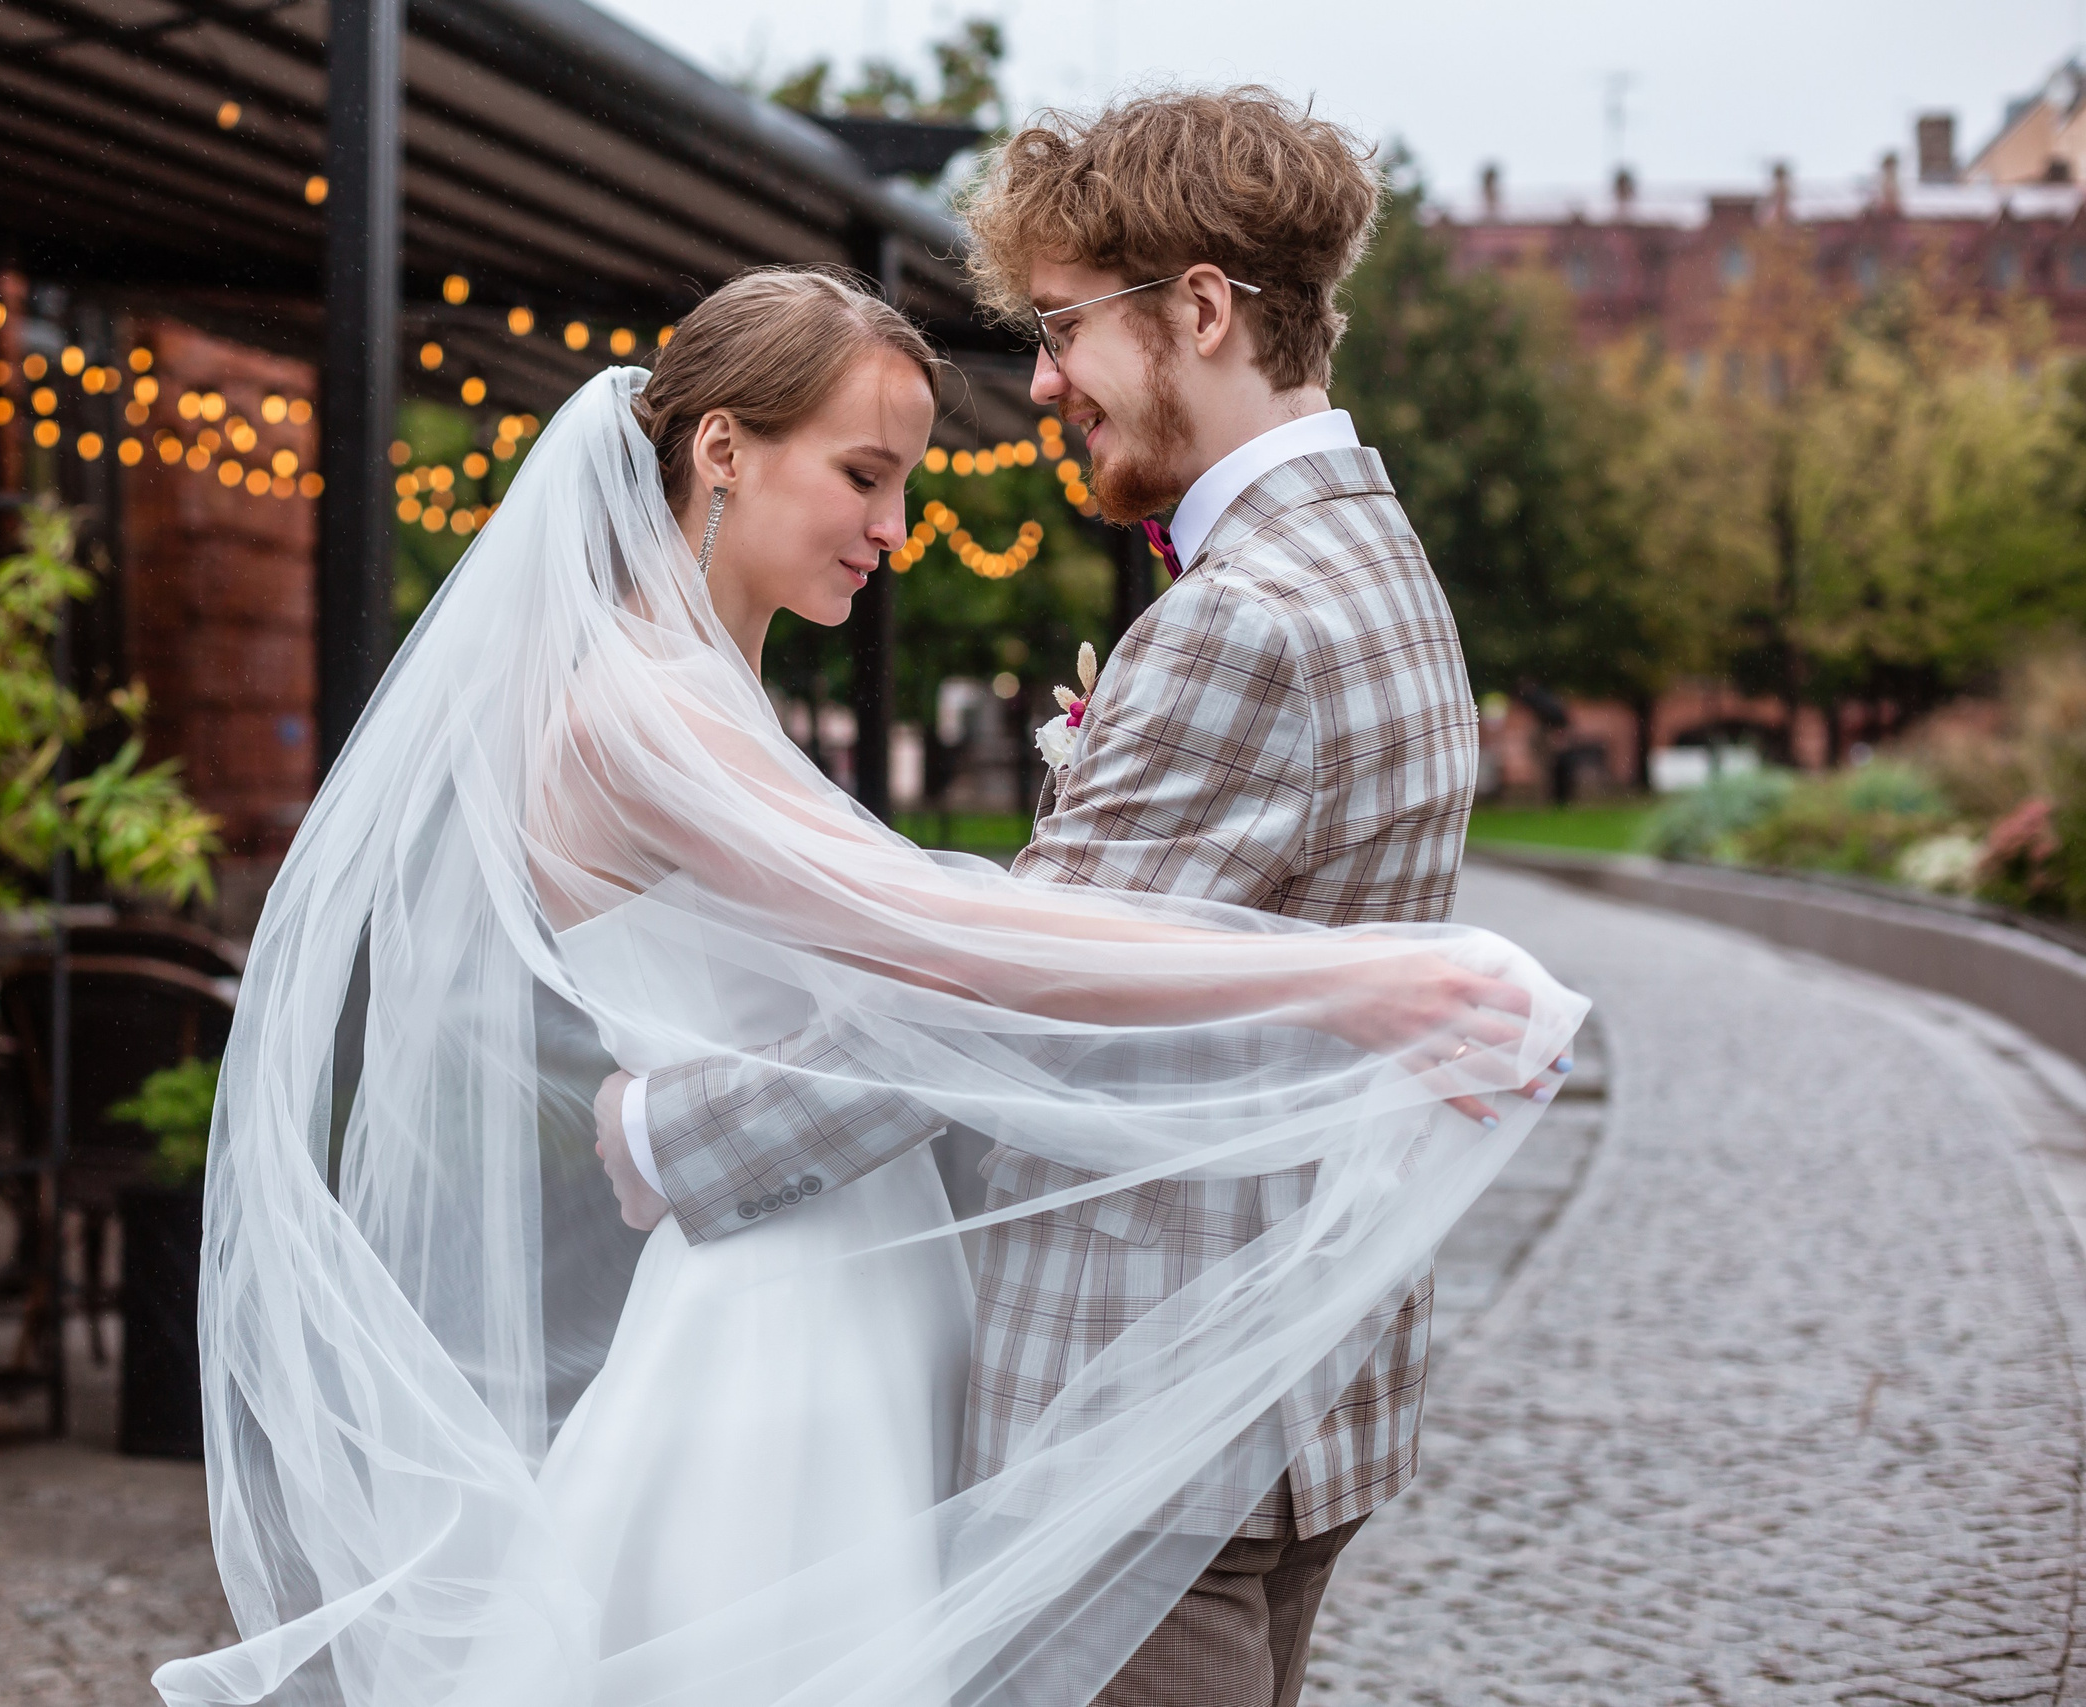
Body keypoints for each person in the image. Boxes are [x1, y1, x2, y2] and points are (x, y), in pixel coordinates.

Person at [154, 256, 1582, 1706]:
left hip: (857, 1285)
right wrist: (1343, 987)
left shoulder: (705, 689)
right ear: (723, 449)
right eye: (864, 476)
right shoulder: (640, 712)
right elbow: (957, 949)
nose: (896, 529)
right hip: (779, 1327)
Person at [594, 91, 1493, 1707]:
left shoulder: (1242, 617)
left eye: (1068, 326)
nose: (1047, 379)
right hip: (1296, 1395)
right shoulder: (1380, 560)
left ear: (1202, 308)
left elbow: (1004, 989)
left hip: (1148, 1404)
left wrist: (675, 1137)